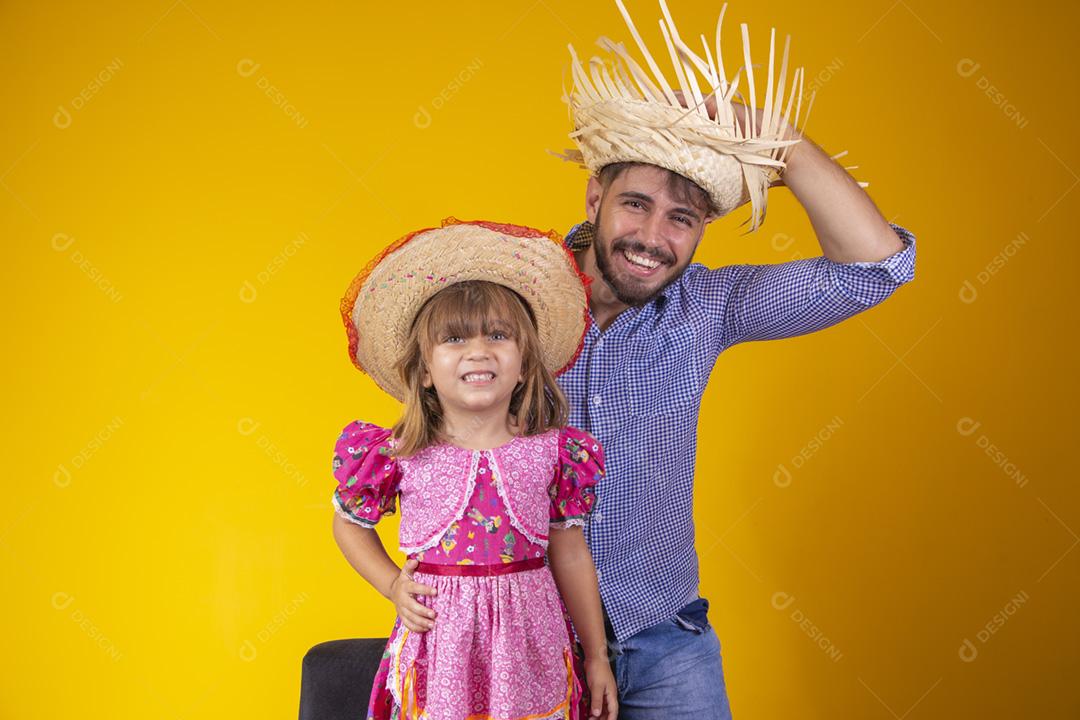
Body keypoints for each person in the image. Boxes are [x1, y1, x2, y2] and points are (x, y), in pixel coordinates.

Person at [547, 2, 918, 717]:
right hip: (528, 640)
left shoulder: (708, 308)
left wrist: (779, 141)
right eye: (636, 204)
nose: (653, 237)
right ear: (595, 194)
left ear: (703, 227)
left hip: (668, 641)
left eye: (681, 217)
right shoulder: (509, 303)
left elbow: (875, 268)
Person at [330, 218, 619, 720]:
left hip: (532, 650)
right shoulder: (397, 452)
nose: (479, 350)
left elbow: (570, 554)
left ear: (526, 362)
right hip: (441, 652)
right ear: (423, 370)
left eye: (499, 335)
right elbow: (349, 523)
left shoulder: (553, 452)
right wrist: (393, 585)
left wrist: (595, 656)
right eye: (456, 339)